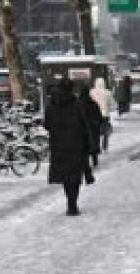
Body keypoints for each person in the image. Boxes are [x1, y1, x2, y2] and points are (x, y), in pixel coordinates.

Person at [45, 80, 94, 215]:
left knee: (65, 176)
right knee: (74, 176)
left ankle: (70, 201)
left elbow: (47, 124)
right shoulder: (76, 104)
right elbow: (84, 123)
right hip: (76, 144)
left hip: (58, 145)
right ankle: (72, 204)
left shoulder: (51, 104)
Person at [78, 80, 107, 166]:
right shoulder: (93, 104)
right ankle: (95, 161)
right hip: (93, 127)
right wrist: (99, 123)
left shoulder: (77, 104)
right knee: (94, 144)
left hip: (81, 128)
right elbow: (99, 116)